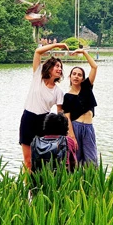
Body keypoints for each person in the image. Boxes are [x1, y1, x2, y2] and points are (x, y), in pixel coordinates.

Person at [19, 42, 69, 171]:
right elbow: (38, 52)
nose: (60, 69)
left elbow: (60, 114)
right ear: (49, 67)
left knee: (40, 161)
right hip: (28, 118)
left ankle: (39, 187)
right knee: (28, 161)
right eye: (57, 66)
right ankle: (27, 189)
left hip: (43, 122)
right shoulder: (38, 77)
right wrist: (57, 45)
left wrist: (65, 133)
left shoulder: (58, 92)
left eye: (61, 67)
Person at [60, 48, 99, 166]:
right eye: (74, 74)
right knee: (76, 159)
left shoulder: (87, 87)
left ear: (83, 78)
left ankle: (92, 183)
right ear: (70, 77)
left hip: (88, 128)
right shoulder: (67, 96)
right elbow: (67, 117)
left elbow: (94, 67)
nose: (76, 77)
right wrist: (71, 136)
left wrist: (84, 53)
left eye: (79, 75)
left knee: (91, 160)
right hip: (75, 127)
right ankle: (76, 183)